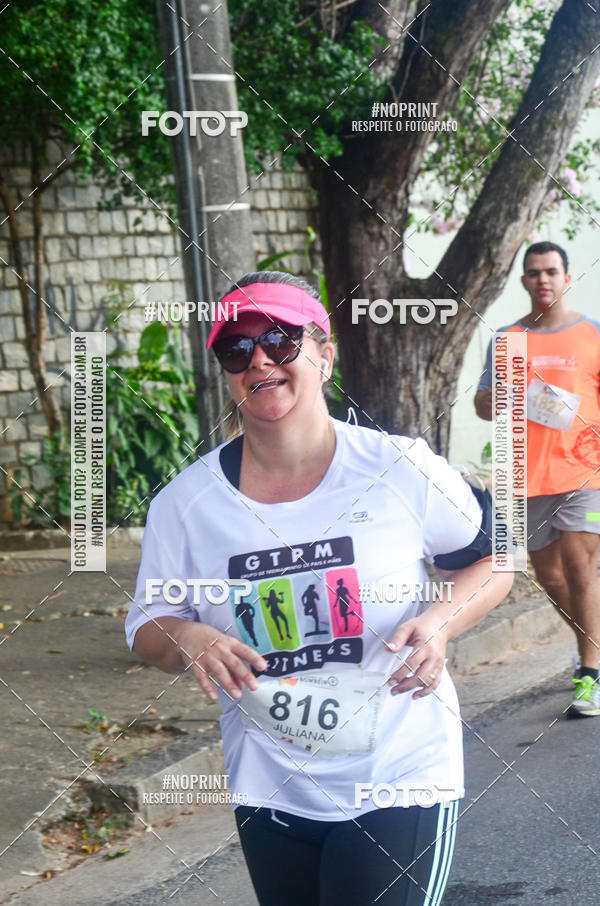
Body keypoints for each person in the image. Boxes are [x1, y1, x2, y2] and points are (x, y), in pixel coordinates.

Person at [126, 271, 512, 905]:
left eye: (280, 341)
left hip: (399, 774)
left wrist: (442, 619)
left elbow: (496, 560)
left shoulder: (398, 467)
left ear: (324, 355)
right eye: (237, 348)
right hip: (270, 785)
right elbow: (147, 626)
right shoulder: (186, 503)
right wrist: (189, 635)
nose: (259, 361)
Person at [474, 241, 600, 716]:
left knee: (580, 567)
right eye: (534, 272)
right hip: (524, 476)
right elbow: (483, 405)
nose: (543, 279)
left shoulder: (592, 334)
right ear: (523, 281)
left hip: (586, 470)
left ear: (566, 278)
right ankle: (593, 647)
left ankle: (590, 675)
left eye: (551, 271)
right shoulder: (506, 339)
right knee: (549, 577)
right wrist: (494, 399)